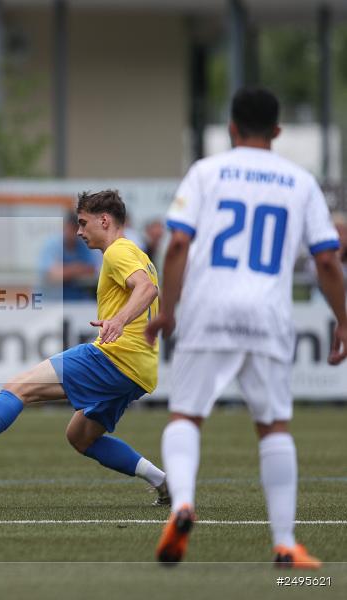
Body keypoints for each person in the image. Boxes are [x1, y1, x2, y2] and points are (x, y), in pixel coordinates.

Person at [147, 87, 347, 569]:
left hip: (207, 309)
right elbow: (326, 258)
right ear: (277, 132)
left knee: (186, 417)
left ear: (232, 127)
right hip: (267, 313)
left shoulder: (205, 172)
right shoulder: (300, 181)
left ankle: (182, 506)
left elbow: (177, 247)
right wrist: (344, 319)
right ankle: (284, 544)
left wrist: (168, 310)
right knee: (273, 426)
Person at [0, 190, 169, 505]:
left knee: (18, 388)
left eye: (83, 223)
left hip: (114, 356)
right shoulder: (137, 253)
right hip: (139, 370)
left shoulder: (117, 252)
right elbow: (147, 286)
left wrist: (119, 320)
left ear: (104, 220)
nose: (79, 231)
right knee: (81, 437)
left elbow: (146, 289)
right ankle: (163, 482)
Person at [37, 212, 102, 301]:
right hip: (52, 301)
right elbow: (52, 275)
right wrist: (76, 269)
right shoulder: (52, 245)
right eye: (72, 228)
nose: (76, 233)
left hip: (78, 301)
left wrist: (66, 270)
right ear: (65, 226)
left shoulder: (84, 245)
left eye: (78, 228)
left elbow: (93, 269)